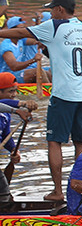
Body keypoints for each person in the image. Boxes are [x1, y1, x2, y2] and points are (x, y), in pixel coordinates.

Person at [21, 0, 82, 203]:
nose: (50, 13)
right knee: (80, 141)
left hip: (64, 94)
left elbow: (19, 33)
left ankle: (58, 191)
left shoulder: (54, 26)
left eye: (52, 9)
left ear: (60, 10)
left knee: (54, 141)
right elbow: (65, 53)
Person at [0, 72, 34, 205]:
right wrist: (20, 105)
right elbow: (3, 103)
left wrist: (13, 150)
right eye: (10, 91)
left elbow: (6, 134)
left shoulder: (5, 114)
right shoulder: (6, 107)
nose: (14, 95)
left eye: (15, 91)